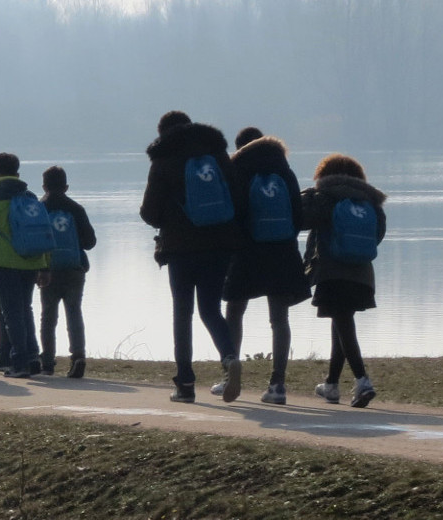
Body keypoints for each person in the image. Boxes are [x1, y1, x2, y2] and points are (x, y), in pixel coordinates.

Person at [141, 111, 248, 403]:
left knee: (183, 313)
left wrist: (169, 217)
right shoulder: (217, 153)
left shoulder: (163, 159)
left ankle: (185, 383)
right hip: (220, 245)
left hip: (180, 249)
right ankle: (228, 358)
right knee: (211, 309)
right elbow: (237, 198)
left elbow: (149, 212)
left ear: (163, 133)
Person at [216, 131, 310, 404]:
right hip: (283, 252)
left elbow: (234, 213)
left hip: (247, 253)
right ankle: (277, 385)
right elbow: (299, 216)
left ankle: (229, 377)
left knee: (233, 312)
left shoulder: (238, 170)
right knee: (279, 320)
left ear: (240, 148)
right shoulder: (285, 171)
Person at [303, 154, 387, 408]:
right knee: (341, 323)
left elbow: (304, 220)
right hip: (361, 273)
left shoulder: (325, 198)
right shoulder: (371, 201)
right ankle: (331, 384)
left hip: (332, 272)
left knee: (343, 323)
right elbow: (378, 235)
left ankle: (363, 381)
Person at [0, 153, 51, 379]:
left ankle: (19, 362)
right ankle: (33, 357)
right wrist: (45, 265)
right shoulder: (30, 196)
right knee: (25, 308)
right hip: (31, 259)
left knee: (11, 313)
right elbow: (43, 231)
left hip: (2, 261)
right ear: (17, 171)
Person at [38, 166, 97, 378]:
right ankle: (78, 356)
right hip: (74, 269)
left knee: (48, 316)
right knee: (74, 312)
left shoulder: (39, 208)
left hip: (48, 269)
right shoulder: (76, 208)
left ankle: (47, 361)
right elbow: (90, 242)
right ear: (66, 186)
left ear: (44, 185)